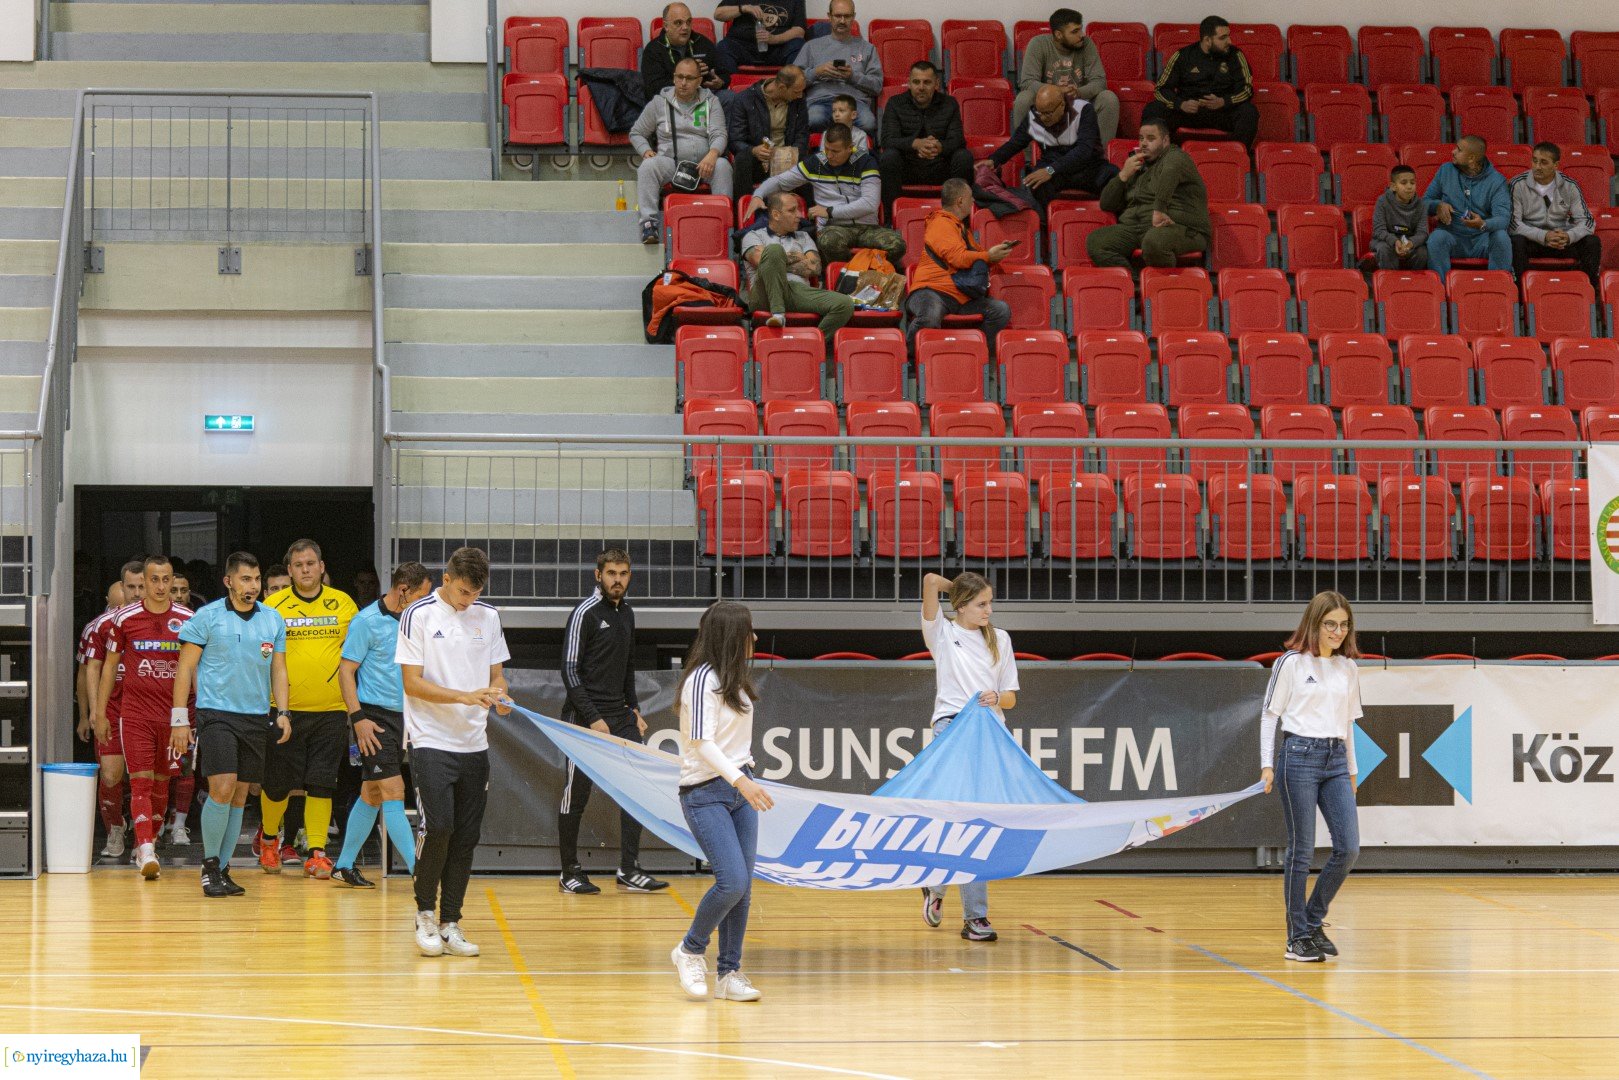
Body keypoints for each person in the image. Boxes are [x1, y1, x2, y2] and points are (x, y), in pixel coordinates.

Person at [397, 547, 511, 959]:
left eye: (476, 594)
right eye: (464, 592)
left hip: (474, 743)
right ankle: (424, 913)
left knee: (466, 836)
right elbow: (412, 683)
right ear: (446, 579)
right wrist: (465, 695)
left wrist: (500, 694)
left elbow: (496, 672)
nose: (469, 601)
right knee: (439, 826)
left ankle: (451, 921)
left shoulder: (489, 616)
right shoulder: (418, 614)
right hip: (430, 740)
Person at [670, 601, 773, 1002]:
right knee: (730, 881)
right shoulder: (700, 680)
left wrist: (745, 778)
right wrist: (738, 780)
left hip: (739, 787)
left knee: (743, 886)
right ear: (733, 635)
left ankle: (729, 973)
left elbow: (735, 744)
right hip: (704, 792)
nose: (755, 638)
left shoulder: (737, 680)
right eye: (749, 630)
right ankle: (689, 950)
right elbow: (701, 742)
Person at [173, 552, 291, 898]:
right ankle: (209, 867)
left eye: (256, 580)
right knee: (222, 787)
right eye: (245, 579)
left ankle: (223, 868)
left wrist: (283, 712)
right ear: (228, 582)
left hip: (255, 715)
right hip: (216, 714)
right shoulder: (206, 617)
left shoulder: (272, 619)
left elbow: (278, 669)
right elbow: (184, 668)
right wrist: (180, 719)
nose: (252, 586)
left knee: (240, 796)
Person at [557, 549, 670, 895]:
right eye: (611, 573)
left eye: (623, 573)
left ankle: (629, 869)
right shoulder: (584, 614)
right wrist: (593, 718)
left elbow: (627, 667)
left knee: (636, 790)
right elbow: (569, 670)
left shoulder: (629, 613)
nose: (617, 580)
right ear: (598, 575)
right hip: (584, 719)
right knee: (575, 796)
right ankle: (569, 872)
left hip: (621, 718)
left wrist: (633, 709)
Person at [1259, 591, 1362, 964]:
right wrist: (1267, 764)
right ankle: (1296, 937)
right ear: (1315, 624)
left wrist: (1351, 769)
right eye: (1330, 624)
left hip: (1335, 760)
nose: (1338, 631)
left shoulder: (1348, 669)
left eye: (1344, 624)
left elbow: (1348, 725)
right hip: (1298, 756)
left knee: (1348, 847)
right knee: (1301, 850)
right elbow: (1270, 715)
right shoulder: (1290, 663)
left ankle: (1313, 920)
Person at [919, 572, 1019, 942]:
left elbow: (1010, 696)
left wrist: (997, 698)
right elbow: (930, 581)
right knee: (966, 819)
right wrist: (959, 587)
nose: (989, 610)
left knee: (980, 822)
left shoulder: (1001, 640)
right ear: (961, 606)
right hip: (952, 728)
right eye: (981, 604)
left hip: (990, 732)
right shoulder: (942, 634)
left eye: (991, 603)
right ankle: (976, 917)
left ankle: (937, 886)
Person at [259, 540, 360, 879]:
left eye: (310, 563)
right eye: (298, 564)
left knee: (321, 783)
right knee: (276, 785)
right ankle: (270, 840)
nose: (304, 569)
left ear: (321, 566)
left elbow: (359, 652)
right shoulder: (273, 606)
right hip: (284, 711)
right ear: (289, 570)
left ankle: (317, 852)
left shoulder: (343, 604)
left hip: (331, 710)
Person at [330, 561, 433, 888]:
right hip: (373, 718)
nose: (425, 603)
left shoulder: (418, 621)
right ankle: (421, 872)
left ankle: (344, 865)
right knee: (393, 791)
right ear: (403, 591)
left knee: (372, 793)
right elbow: (346, 672)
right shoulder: (366, 622)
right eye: (421, 596)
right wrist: (357, 718)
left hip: (408, 716)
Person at [96, 555, 193, 879]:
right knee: (140, 782)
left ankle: (147, 841)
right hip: (134, 715)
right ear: (145, 581)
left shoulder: (187, 619)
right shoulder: (123, 618)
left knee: (162, 785)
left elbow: (195, 670)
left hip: (172, 717)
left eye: (167, 580)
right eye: (155, 580)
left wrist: (191, 716)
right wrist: (99, 711)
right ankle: (146, 850)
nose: (162, 586)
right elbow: (109, 666)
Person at [747, 122, 904, 263]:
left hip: (868, 227)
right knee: (828, 242)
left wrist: (830, 211)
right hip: (835, 227)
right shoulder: (816, 163)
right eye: (826, 149)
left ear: (850, 148)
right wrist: (758, 194)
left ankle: (869, 267)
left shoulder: (867, 162)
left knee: (897, 244)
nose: (829, 155)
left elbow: (870, 204)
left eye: (835, 151)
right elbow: (780, 181)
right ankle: (844, 274)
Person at [631, 58, 733, 245]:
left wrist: (713, 154)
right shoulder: (658, 102)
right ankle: (649, 224)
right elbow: (637, 133)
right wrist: (645, 151)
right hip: (670, 162)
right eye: (680, 77)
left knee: (723, 166)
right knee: (648, 167)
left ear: (699, 81)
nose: (684, 83)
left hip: (704, 164)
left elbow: (720, 134)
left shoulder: (712, 101)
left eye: (689, 78)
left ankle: (723, 226)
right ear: (674, 78)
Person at [905, 178, 1015, 350]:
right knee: (930, 315)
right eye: (970, 197)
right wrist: (988, 255)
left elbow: (979, 258)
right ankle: (911, 361)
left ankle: (973, 354)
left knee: (1000, 311)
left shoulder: (962, 229)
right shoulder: (940, 223)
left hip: (962, 296)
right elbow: (958, 258)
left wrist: (995, 257)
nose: (973, 201)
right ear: (960, 201)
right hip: (931, 290)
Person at [1087, 118, 1211, 269]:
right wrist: (1123, 175)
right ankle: (1134, 283)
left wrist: (1159, 210)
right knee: (1096, 241)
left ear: (1165, 140)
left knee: (1154, 241)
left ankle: (1163, 286)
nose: (1144, 143)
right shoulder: (1135, 165)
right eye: (1141, 138)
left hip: (1182, 229)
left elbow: (1170, 172)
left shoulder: (1177, 157)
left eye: (1151, 138)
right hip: (1135, 228)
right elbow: (1106, 204)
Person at [987, 83, 1118, 212]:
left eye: (1048, 113)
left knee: (1114, 178)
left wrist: (1050, 170)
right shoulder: (1035, 115)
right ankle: (1046, 227)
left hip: (1085, 167)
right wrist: (994, 159)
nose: (1042, 118)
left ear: (1062, 105)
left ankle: (1110, 221)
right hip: (1053, 165)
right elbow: (1016, 142)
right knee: (1035, 182)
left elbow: (1084, 151)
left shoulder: (1083, 109)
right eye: (1040, 112)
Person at [741, 191, 855, 331]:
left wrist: (777, 262)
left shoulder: (804, 236)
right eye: (792, 210)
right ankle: (778, 313)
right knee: (774, 250)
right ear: (776, 215)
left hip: (797, 291)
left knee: (845, 304)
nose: (799, 215)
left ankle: (814, 342)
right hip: (764, 293)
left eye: (799, 210)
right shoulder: (752, 236)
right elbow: (761, 260)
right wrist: (799, 258)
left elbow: (815, 267)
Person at [1143, 16, 1258, 148]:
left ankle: (1236, 155)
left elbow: (1247, 90)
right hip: (1189, 111)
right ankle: (1161, 157)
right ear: (1207, 40)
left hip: (1222, 111)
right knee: (1152, 110)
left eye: (1228, 36)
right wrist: (1180, 104)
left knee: (1249, 112)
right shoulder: (1183, 55)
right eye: (1223, 38)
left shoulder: (1236, 55)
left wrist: (1224, 101)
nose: (1229, 41)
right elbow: (1160, 89)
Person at [878, 61, 972, 214]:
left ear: (936, 84)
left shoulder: (949, 103)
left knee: (964, 156)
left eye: (927, 82)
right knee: (888, 157)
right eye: (916, 82)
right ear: (909, 83)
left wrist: (939, 147)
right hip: (908, 167)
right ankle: (891, 218)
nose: (921, 87)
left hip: (940, 166)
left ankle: (961, 219)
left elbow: (958, 140)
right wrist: (915, 144)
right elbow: (887, 140)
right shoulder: (895, 103)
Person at [1014, 8, 1119, 143]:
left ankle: (1100, 157)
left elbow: (1099, 81)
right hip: (1048, 105)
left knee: (1109, 98)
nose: (1081, 35)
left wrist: (1079, 92)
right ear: (1058, 34)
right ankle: (1027, 160)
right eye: (1075, 31)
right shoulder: (1038, 44)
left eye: (1081, 29)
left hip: (1079, 102)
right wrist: (1056, 92)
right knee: (1023, 99)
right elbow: (1027, 82)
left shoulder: (1086, 44)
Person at [76, 579, 126, 858]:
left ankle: (149, 835)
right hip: (109, 712)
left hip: (143, 711)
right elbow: (85, 673)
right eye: (114, 605)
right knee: (109, 774)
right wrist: (86, 714)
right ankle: (115, 829)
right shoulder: (96, 627)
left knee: (150, 776)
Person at [1509, 141, 1600, 289]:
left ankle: (1587, 290)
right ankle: (1521, 292)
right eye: (1535, 160)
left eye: (1544, 162)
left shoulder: (1570, 185)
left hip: (1561, 241)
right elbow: (1513, 224)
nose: (1537, 167)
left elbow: (1587, 221)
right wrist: (1544, 236)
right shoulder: (1517, 184)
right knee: (1515, 241)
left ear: (1556, 165)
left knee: (1592, 242)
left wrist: (1569, 236)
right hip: (1533, 240)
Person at [1425, 135, 1512, 281]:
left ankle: (1498, 287)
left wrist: (1483, 224)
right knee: (1436, 238)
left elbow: (1503, 218)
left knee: (1501, 237)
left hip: (1482, 239)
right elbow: (1424, 202)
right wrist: (1437, 205)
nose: (1452, 152)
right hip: (1453, 235)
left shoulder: (1497, 181)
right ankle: (1440, 291)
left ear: (1471, 159)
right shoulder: (1445, 170)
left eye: (1458, 150)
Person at [726, 65, 809, 201]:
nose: (800, 95)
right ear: (782, 87)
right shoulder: (745, 99)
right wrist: (753, 150)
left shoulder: (798, 101)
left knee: (808, 163)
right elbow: (735, 140)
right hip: (760, 162)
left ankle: (809, 216)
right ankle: (746, 210)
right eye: (796, 91)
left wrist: (791, 153)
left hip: (788, 159)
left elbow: (802, 135)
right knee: (742, 160)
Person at [797, 0, 881, 134]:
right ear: (829, 16)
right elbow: (793, 81)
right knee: (814, 119)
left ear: (853, 17)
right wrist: (817, 72)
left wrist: (852, 76)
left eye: (847, 16)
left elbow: (876, 86)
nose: (842, 20)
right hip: (820, 101)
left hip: (854, 103)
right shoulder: (811, 46)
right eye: (837, 16)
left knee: (868, 123)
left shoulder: (867, 49)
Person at [644, 2, 732, 99]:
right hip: (671, 101)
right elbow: (654, 89)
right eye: (678, 23)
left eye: (688, 22)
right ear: (666, 26)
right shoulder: (653, 49)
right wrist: (689, 74)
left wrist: (721, 82)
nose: (685, 27)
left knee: (729, 97)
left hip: (703, 98)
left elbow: (724, 73)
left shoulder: (702, 43)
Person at [1366, 164, 1430, 272]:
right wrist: (1395, 241)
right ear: (1393, 186)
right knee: (1384, 249)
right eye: (1404, 183)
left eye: (1412, 183)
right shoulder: (1382, 201)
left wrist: (1411, 243)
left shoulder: (1421, 204)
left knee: (1423, 252)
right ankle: (1389, 283)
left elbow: (1423, 233)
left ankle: (1413, 282)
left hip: (1408, 243)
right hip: (1385, 241)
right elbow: (1379, 230)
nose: (1409, 186)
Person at [713, 0, 805, 71]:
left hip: (778, 49)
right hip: (743, 47)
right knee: (723, 46)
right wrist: (743, 8)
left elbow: (799, 31)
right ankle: (728, 90)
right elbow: (718, 14)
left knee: (799, 45)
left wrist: (774, 39)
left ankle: (792, 90)